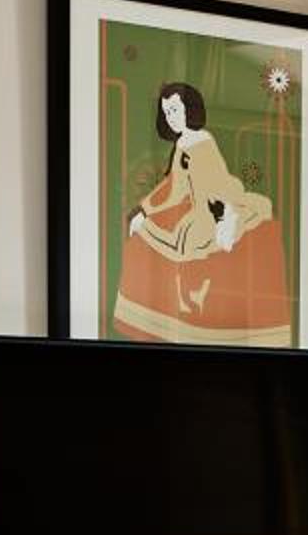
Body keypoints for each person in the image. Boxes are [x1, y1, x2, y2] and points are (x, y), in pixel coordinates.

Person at [112, 80, 294, 344]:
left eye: (175, 110)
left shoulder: (202, 142)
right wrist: (144, 208)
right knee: (144, 232)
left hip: (210, 207)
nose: (171, 117)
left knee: (181, 242)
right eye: (167, 112)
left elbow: (211, 186)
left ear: (190, 109)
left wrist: (219, 215)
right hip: (194, 205)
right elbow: (174, 187)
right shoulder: (182, 144)